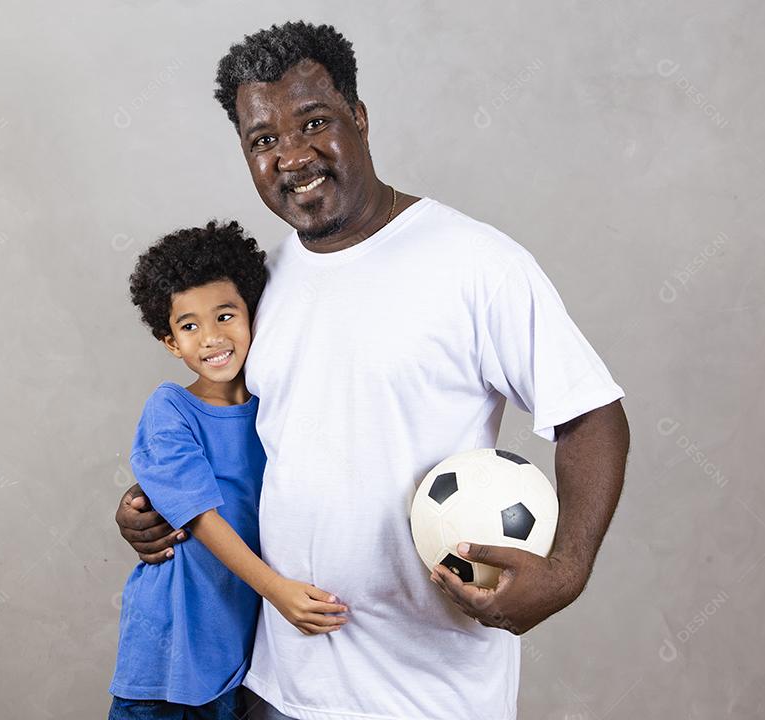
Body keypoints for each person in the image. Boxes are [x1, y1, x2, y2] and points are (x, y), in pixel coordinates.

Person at [114, 21, 631, 720]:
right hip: (276, 683)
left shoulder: (476, 263)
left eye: (314, 122)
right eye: (263, 140)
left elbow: (592, 415)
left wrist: (565, 574)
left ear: (358, 118)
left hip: (426, 693)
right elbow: (233, 441)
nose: (292, 157)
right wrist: (154, 511)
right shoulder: (262, 285)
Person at [108, 220, 349, 720]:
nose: (212, 337)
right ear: (171, 342)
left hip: (237, 654)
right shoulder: (170, 409)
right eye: (190, 326)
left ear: (253, 315)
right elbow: (198, 516)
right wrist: (278, 591)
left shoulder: (275, 409)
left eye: (225, 315)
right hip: (168, 654)